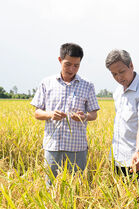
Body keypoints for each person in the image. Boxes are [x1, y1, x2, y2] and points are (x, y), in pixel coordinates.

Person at [31, 43, 100, 187]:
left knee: (78, 187)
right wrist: (50, 114)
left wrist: (84, 117)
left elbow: (94, 114)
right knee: (50, 186)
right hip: (53, 146)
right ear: (59, 60)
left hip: (77, 147)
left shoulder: (87, 85)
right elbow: (37, 113)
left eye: (76, 65)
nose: (72, 69)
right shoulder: (47, 83)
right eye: (68, 64)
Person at [105, 49, 139, 192]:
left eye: (121, 71)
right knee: (120, 197)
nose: (118, 77)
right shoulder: (118, 91)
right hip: (118, 155)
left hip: (136, 158)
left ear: (131, 66)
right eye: (114, 74)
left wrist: (138, 150)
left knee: (138, 199)